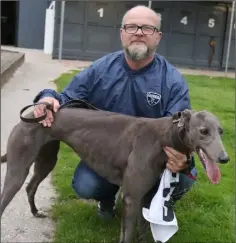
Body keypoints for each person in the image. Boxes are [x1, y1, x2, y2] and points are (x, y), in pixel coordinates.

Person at [33, 5, 197, 220]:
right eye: (131, 27)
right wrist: (46, 97)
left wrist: (184, 160)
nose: (138, 32)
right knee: (86, 185)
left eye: (147, 28)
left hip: (150, 158)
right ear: (122, 34)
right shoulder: (101, 69)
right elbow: (65, 98)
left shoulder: (172, 81)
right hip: (107, 155)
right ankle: (107, 198)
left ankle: (155, 202)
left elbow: (180, 130)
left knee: (185, 176)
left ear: (158, 37)